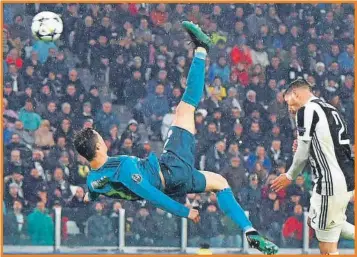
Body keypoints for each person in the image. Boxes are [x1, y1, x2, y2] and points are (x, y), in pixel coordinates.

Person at [74, 21, 278, 255]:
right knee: (185, 108)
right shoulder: (123, 166)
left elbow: (93, 191)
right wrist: (185, 212)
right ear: (98, 146)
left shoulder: (92, 180)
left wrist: (89, 198)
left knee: (220, 183)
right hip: (171, 170)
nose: (103, 139)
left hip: (173, 179)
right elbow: (151, 195)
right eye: (100, 137)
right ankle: (201, 48)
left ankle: (249, 231)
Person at [271, 78, 354, 254]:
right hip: (345, 179)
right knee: (313, 221)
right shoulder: (330, 109)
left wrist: (289, 175)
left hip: (329, 183)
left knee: (326, 248)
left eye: (288, 102)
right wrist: (307, 148)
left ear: (296, 94)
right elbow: (332, 147)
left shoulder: (306, 110)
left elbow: (301, 153)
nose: (289, 109)